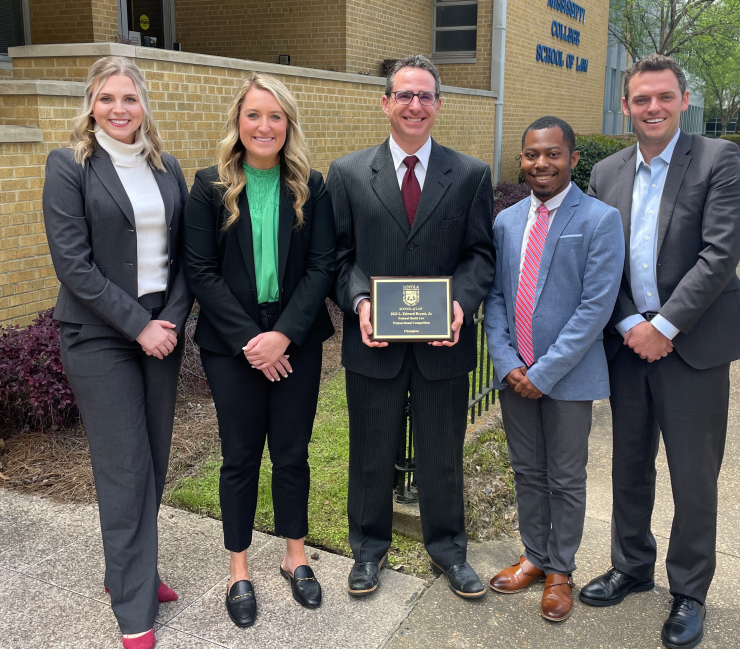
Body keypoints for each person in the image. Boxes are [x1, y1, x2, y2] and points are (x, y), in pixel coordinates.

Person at [578, 54, 740, 649]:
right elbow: (596, 264)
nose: (652, 107)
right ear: (626, 105)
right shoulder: (605, 174)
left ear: (684, 100)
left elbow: (719, 254)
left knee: (693, 476)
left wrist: (667, 326)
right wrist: (633, 321)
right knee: (629, 466)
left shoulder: (718, 160)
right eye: (640, 98)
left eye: (663, 96)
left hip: (695, 349)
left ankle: (689, 591)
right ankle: (631, 567)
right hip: (629, 343)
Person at [328, 54, 495, 600]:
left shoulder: (469, 174)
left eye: (425, 96)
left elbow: (479, 255)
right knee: (370, 449)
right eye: (404, 95)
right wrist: (358, 302)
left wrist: (461, 301)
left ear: (439, 105)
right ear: (385, 103)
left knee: (442, 451)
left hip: (442, 343)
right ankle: (368, 551)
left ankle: (449, 549)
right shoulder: (349, 173)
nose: (415, 105)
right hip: (372, 341)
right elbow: (338, 257)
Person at [42, 56, 192, 649]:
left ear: (144, 104)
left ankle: (130, 569)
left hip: (162, 332)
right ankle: (133, 608)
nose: (120, 109)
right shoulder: (70, 167)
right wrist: (140, 326)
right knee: (125, 468)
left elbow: (186, 256)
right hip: (101, 334)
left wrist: (173, 319)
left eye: (130, 98)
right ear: (92, 104)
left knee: (151, 461)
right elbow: (73, 264)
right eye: (108, 99)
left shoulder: (166, 166)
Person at [183, 73, 335, 625]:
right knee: (240, 458)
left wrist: (283, 336)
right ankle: (239, 569)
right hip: (232, 346)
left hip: (296, 339)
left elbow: (322, 266)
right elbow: (199, 270)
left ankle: (295, 558)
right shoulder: (208, 185)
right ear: (238, 122)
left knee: (292, 454)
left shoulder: (311, 186)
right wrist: (253, 341)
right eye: (253, 115)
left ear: (287, 123)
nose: (264, 126)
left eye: (275, 116)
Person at [484, 116, 624, 621]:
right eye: (531, 155)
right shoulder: (505, 222)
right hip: (513, 375)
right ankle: (534, 557)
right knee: (526, 471)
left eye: (552, 154)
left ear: (572, 158)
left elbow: (595, 307)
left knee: (565, 477)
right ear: (522, 159)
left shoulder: (600, 219)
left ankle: (561, 569)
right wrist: (508, 363)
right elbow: (496, 297)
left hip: (569, 377)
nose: (541, 163)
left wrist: (543, 372)